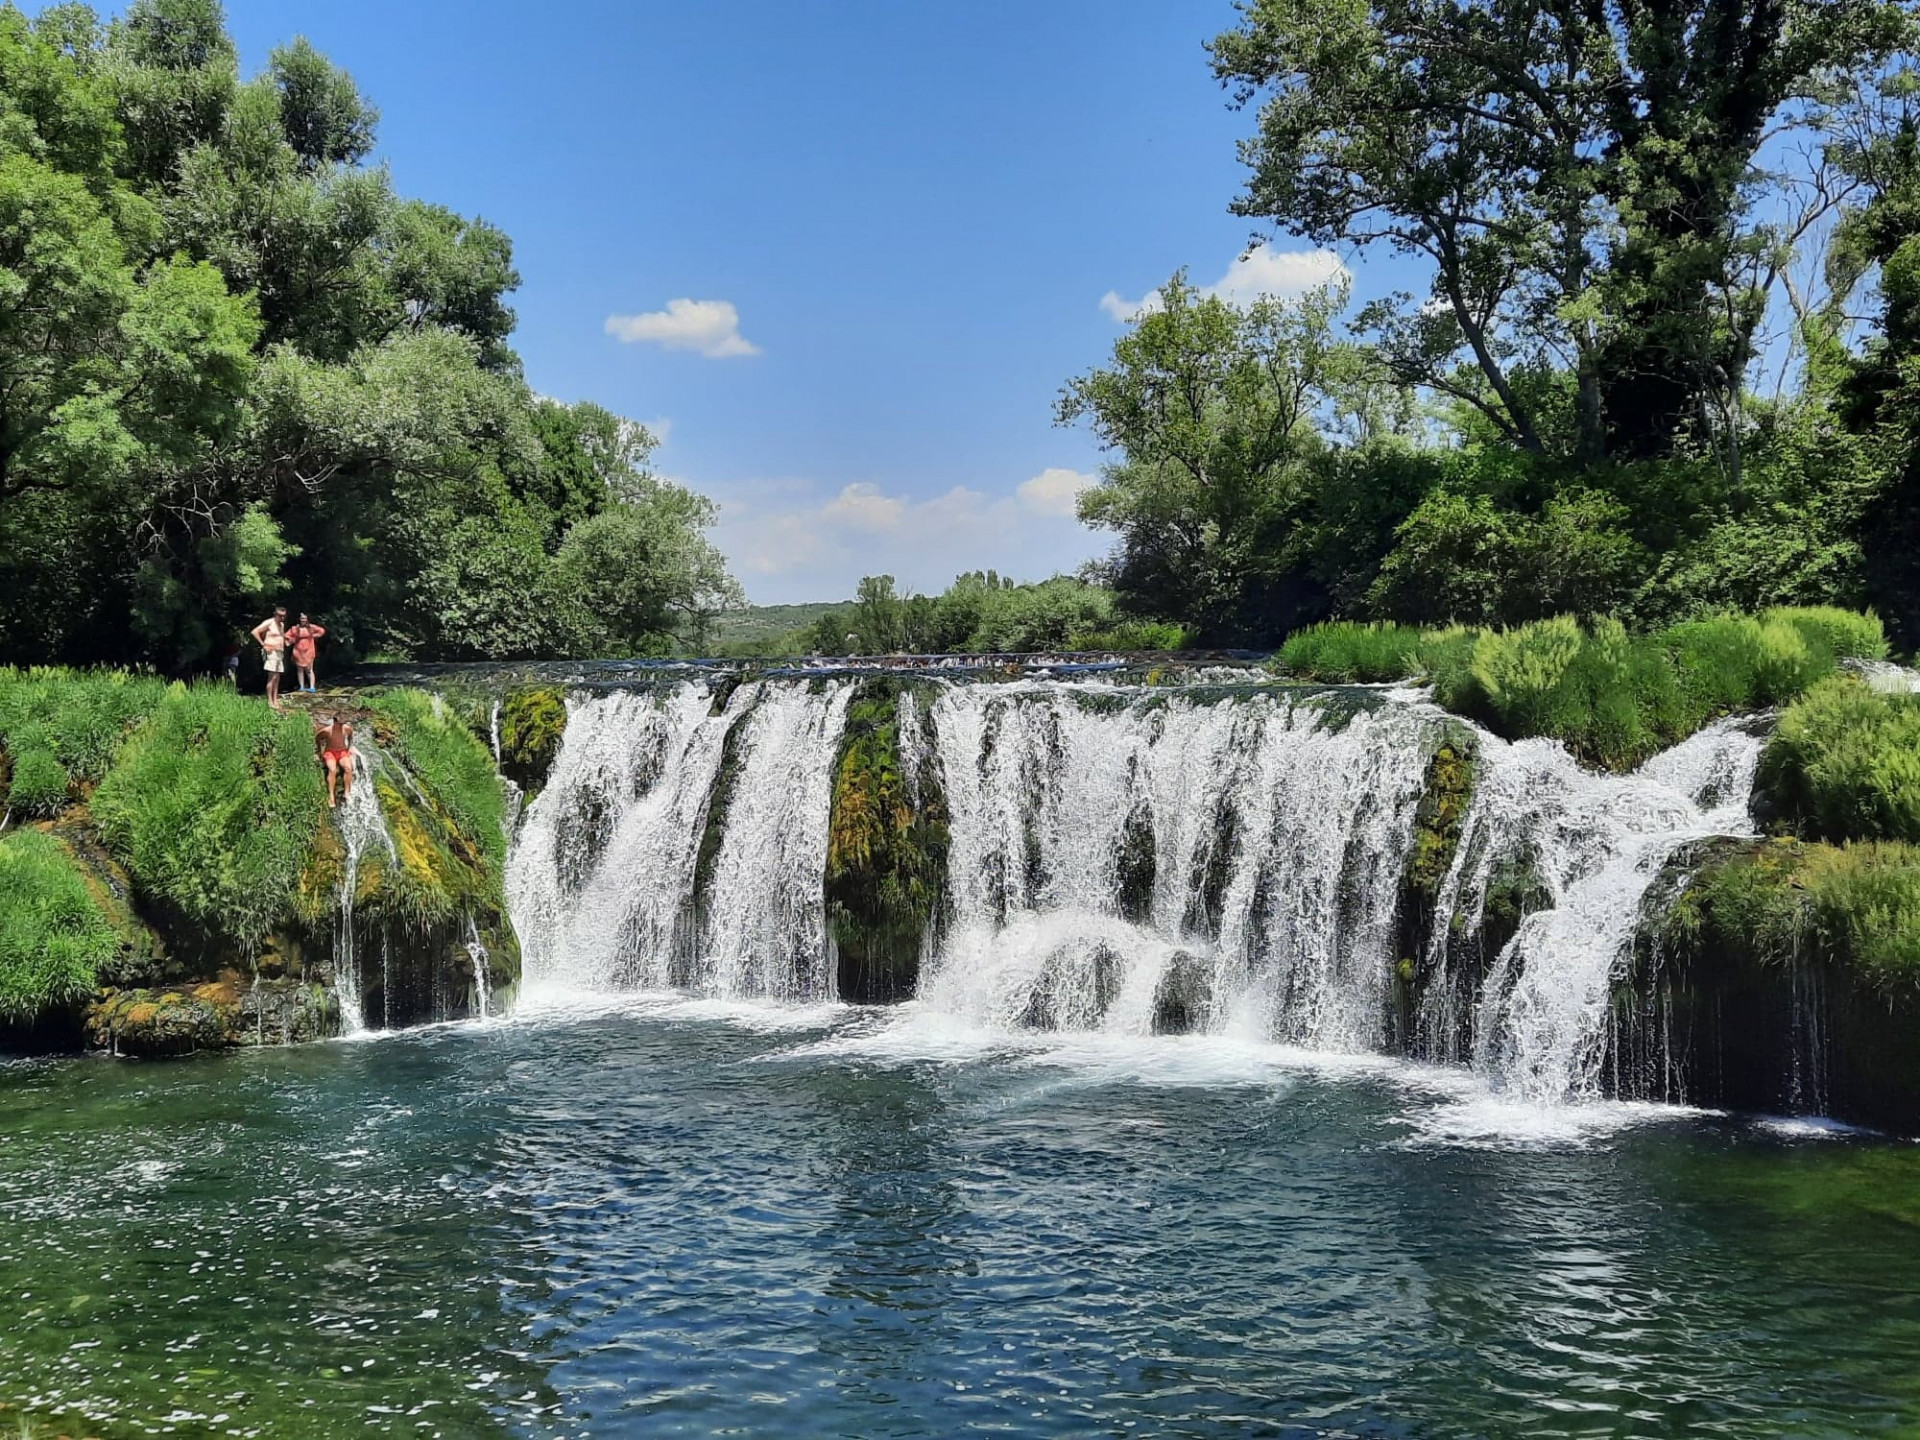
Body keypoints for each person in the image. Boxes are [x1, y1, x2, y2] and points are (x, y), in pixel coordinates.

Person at [313, 713, 355, 808]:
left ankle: (347, 792)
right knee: (332, 770)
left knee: (348, 768)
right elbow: (317, 738)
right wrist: (319, 751)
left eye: (342, 723)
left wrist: (349, 748)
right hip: (330, 752)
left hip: (342, 752)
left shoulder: (347, 729)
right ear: (334, 722)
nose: (341, 725)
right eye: (340, 723)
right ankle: (331, 796)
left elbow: (351, 736)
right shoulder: (327, 731)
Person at [251, 607, 289, 709]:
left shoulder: (281, 625)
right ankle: (270, 701)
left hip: (279, 652)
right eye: (280, 615)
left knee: (277, 677)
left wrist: (286, 640)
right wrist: (264, 645)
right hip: (271, 652)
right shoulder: (269, 622)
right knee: (272, 676)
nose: (282, 618)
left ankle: (275, 699)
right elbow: (255, 632)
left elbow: (280, 636)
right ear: (275, 614)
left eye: (284, 616)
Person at [286, 613, 327, 694]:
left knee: (309, 669)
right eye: (302, 618)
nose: (303, 620)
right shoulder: (295, 628)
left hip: (309, 651)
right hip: (298, 651)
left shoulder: (311, 627)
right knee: (300, 669)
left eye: (305, 618)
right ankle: (301, 686)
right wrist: (292, 639)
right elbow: (286, 635)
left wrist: (314, 636)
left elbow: (322, 631)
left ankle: (312, 686)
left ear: (307, 619)